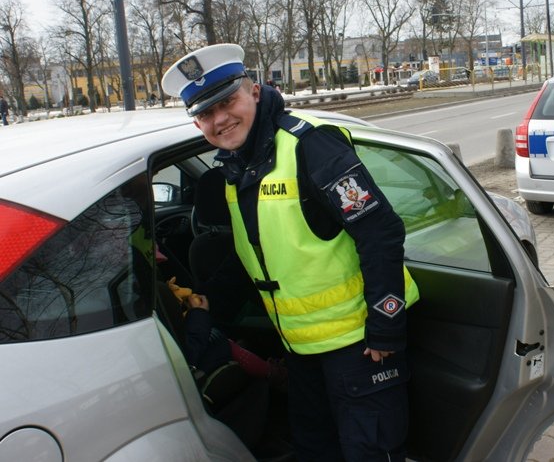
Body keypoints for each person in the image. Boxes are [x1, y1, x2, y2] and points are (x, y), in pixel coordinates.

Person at [161, 43, 419, 462]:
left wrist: (386, 326)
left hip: (361, 345)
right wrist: (211, 302)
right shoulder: (236, 165)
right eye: (206, 113)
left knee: (371, 453)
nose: (220, 119)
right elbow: (259, 253)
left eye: (228, 101)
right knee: (314, 449)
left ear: (255, 91)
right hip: (301, 348)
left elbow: (380, 231)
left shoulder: (310, 145)